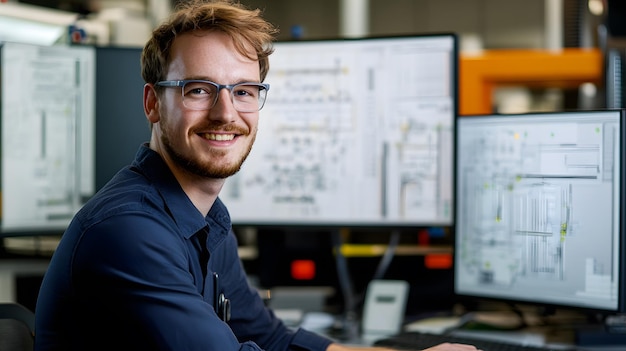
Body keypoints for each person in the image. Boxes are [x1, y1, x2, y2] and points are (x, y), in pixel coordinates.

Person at [34, 1, 480, 350]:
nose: (226, 113)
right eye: (198, 89)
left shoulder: (207, 218)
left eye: (244, 91)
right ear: (153, 103)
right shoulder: (128, 231)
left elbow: (273, 340)